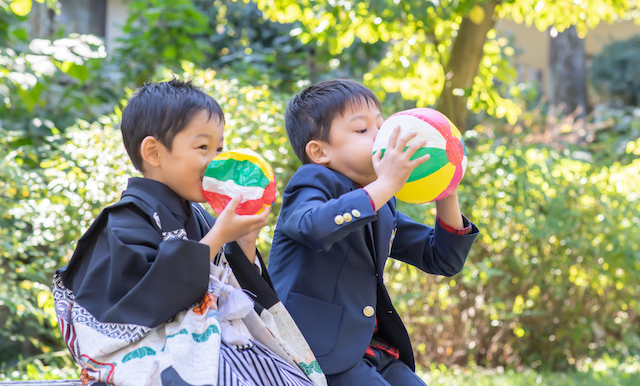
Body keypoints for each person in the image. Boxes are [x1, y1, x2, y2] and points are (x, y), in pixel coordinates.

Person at [52, 79, 325, 386]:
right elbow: (145, 298)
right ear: (154, 153)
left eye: (219, 148)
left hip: (215, 347)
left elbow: (239, 287)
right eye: (203, 148)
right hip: (161, 353)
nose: (217, 161)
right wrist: (218, 237)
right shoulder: (124, 220)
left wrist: (244, 242)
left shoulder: (200, 217)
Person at [268, 79, 479, 386]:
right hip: (316, 353)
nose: (380, 137)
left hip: (374, 350)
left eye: (381, 127)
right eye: (362, 130)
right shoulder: (312, 180)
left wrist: (446, 189)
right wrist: (385, 186)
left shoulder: (381, 201)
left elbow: (440, 258)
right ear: (319, 151)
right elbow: (312, 226)